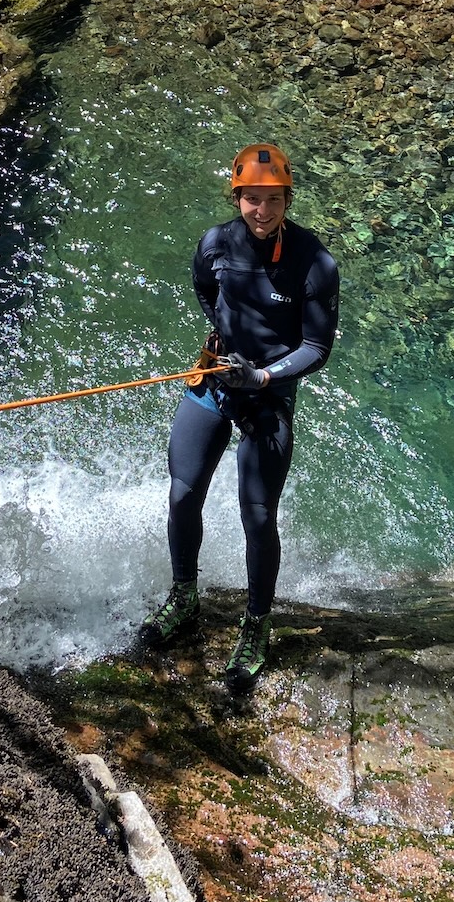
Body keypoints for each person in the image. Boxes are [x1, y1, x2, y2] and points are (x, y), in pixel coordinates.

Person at [139, 143, 340, 691]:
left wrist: (266, 376)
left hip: (268, 393)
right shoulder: (215, 244)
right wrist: (225, 344)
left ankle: (256, 626)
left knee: (257, 515)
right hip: (216, 378)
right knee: (183, 492)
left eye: (272, 200)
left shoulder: (314, 260)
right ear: (238, 197)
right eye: (252, 199)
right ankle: (184, 596)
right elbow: (207, 291)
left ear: (287, 199)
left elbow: (317, 346)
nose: (262, 211)